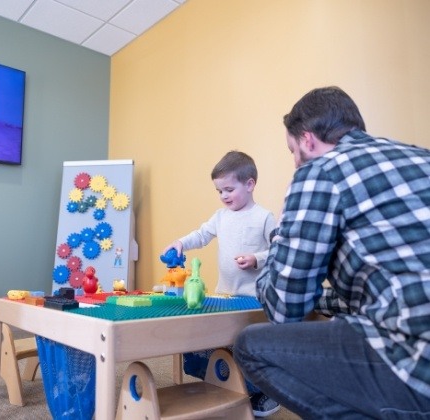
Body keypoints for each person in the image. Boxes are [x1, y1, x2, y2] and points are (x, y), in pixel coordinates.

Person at [233, 86, 430, 418]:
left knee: (250, 346)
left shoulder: (318, 171)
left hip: (416, 359)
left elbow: (283, 310)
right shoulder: (420, 156)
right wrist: (320, 298)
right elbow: (385, 289)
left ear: (308, 140)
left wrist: (282, 235)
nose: (295, 162)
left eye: (292, 151)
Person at [163, 150, 279, 417]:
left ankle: (266, 392)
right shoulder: (220, 216)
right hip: (224, 295)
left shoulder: (263, 217)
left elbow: (277, 251)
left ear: (250, 184)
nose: (224, 196)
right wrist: (181, 242)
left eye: (229, 189)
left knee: (245, 351)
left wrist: (256, 258)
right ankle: (228, 386)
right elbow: (201, 235)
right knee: (205, 345)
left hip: (252, 299)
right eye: (219, 191)